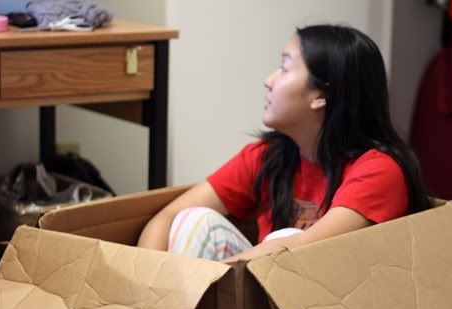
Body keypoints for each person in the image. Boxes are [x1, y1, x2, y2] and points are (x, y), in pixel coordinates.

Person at [137, 24, 430, 262]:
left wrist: (201, 280)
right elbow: (167, 217)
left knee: (284, 241)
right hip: (265, 297)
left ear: (320, 96)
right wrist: (151, 286)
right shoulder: (269, 156)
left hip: (339, 306)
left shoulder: (379, 171)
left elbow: (300, 250)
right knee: (195, 221)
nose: (269, 80)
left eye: (285, 68)